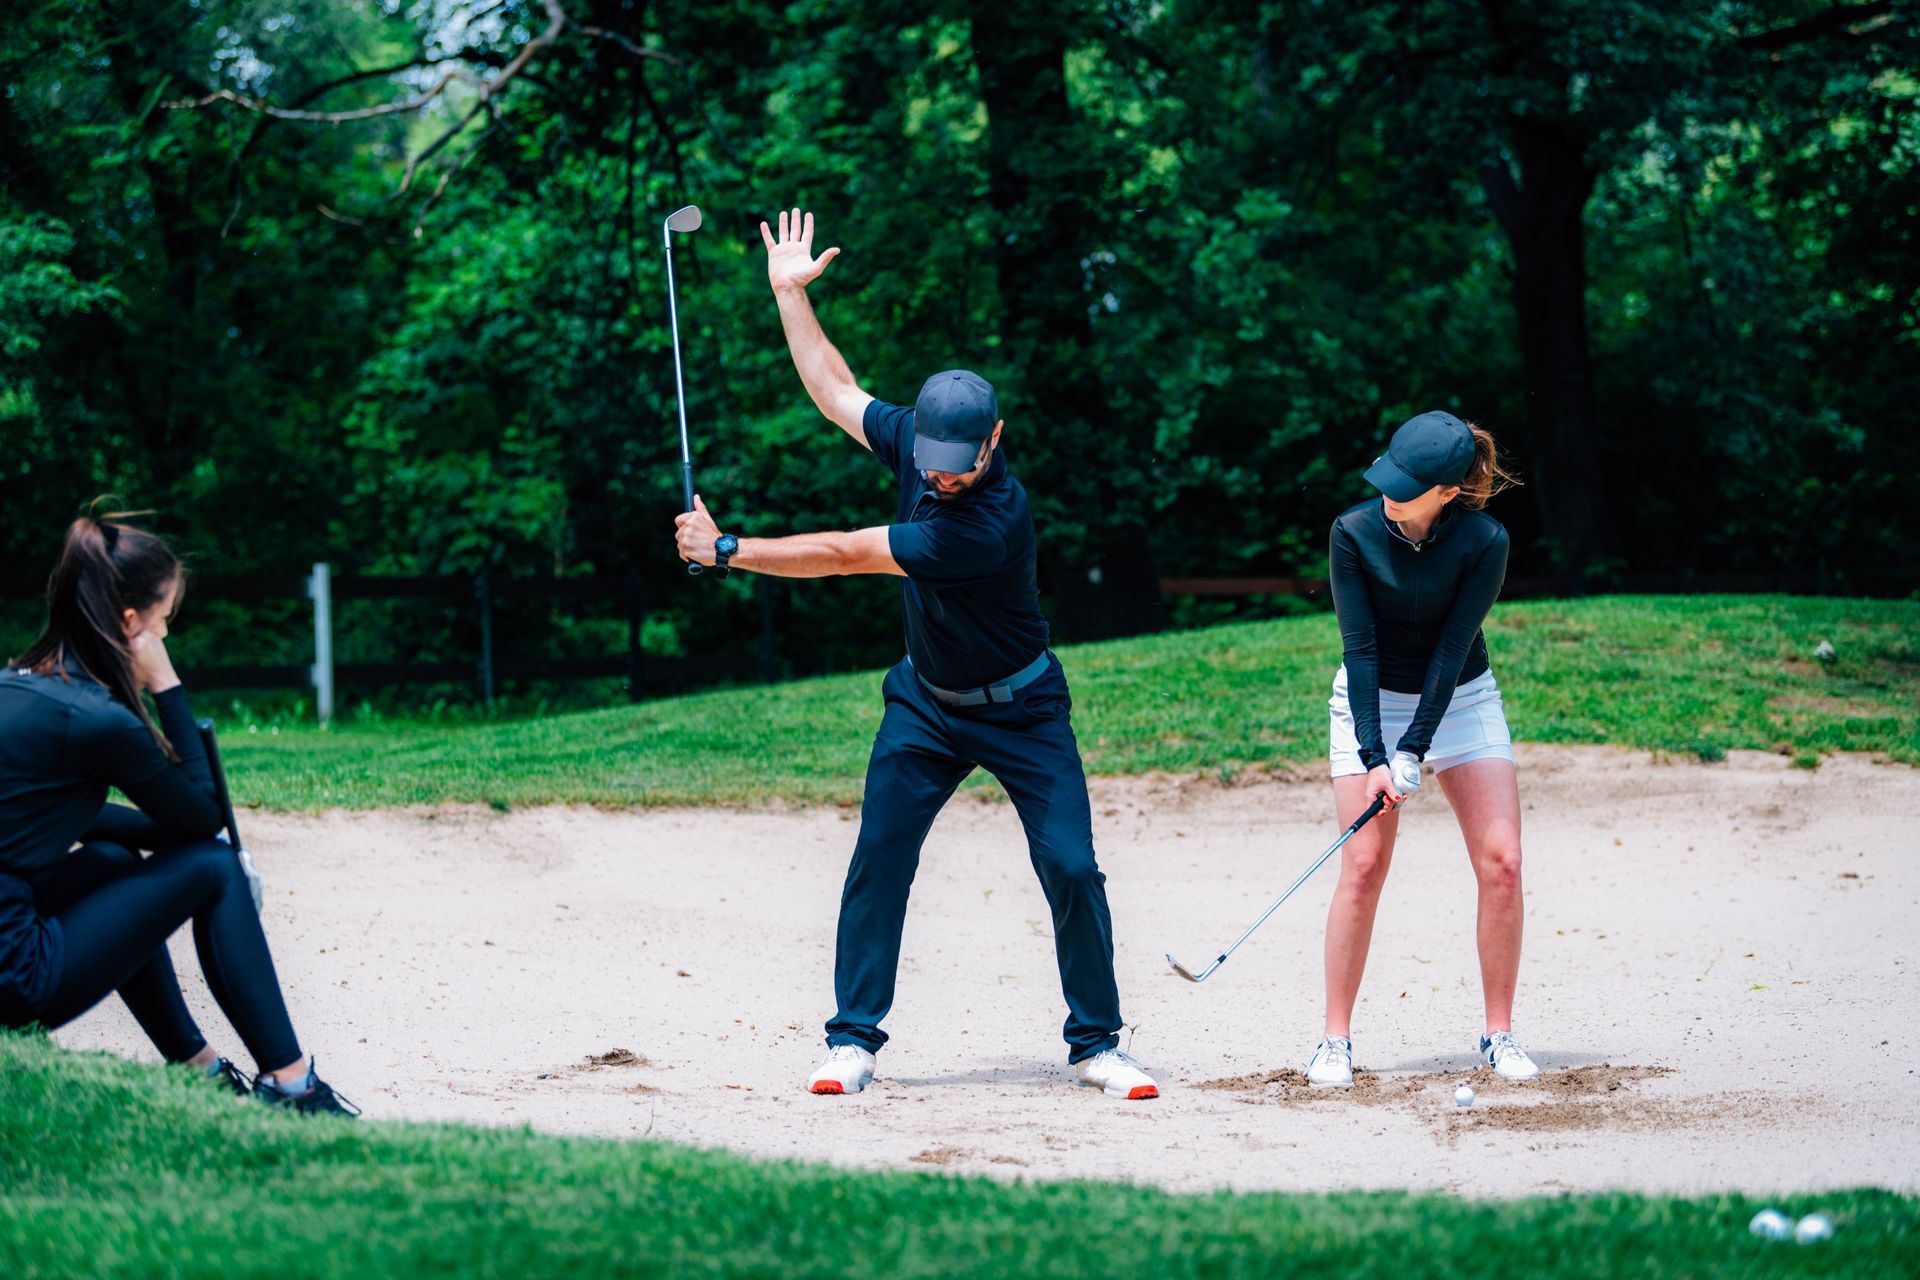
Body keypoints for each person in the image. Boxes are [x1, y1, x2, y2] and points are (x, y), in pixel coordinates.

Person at [672, 208, 1157, 1101]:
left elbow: (844, 553)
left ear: (995, 441)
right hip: (927, 705)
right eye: (930, 458)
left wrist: (730, 548)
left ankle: (1096, 1042)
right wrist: (789, 298)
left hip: (1023, 708)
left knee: (1072, 865)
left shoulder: (990, 522)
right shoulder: (924, 446)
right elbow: (834, 388)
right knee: (880, 856)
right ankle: (852, 1041)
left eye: (958, 463)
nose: (939, 474)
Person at [0, 509, 357, 1116]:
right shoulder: (95, 719)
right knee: (214, 867)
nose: (165, 638)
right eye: (163, 623)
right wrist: (166, 685)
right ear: (131, 623)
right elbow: (203, 819)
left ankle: (201, 1072)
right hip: (15, 975)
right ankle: (293, 1088)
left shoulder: (18, 685)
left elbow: (74, 820)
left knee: (114, 861)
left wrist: (162, 837)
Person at [1304, 410, 1540, 1087]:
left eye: (1407, 486)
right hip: (1369, 698)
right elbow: (1362, 647)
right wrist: (1379, 753)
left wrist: (1416, 746)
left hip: (1460, 697)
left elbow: (1451, 647)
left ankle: (1499, 1033)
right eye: (1387, 478)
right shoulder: (1351, 532)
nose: (1388, 494)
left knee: (1503, 863)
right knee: (1365, 866)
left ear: (1448, 492)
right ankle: (1334, 1041)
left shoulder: (1485, 540)